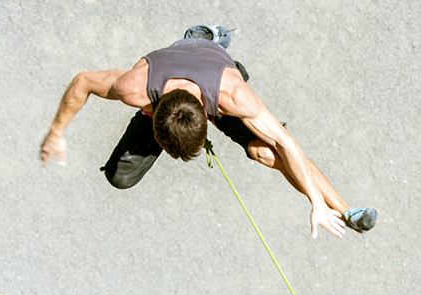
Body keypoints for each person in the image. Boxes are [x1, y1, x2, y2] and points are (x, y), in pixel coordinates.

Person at [40, 29, 377, 239]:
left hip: (216, 77)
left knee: (266, 151)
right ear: (152, 115)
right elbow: (83, 81)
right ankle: (197, 38)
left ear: (208, 117)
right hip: (173, 86)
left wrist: (317, 202)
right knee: (120, 177)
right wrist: (57, 132)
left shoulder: (234, 97)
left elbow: (286, 143)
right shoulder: (134, 88)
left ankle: (347, 211)